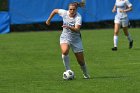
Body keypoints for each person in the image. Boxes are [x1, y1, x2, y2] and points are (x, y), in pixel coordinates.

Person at [46, 1, 90, 79]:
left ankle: (86, 75)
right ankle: (68, 70)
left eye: (73, 9)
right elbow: (55, 10)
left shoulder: (78, 17)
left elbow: (77, 29)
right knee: (65, 51)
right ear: (68, 9)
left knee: (81, 61)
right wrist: (49, 20)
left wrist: (68, 27)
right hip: (65, 37)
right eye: (70, 9)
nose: (72, 11)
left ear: (76, 10)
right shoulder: (64, 13)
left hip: (76, 40)